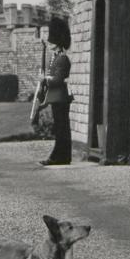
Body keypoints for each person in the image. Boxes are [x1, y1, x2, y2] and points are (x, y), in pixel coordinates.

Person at [40, 16, 72, 166]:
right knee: (60, 128)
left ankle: (60, 156)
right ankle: (61, 156)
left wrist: (45, 79)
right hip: (55, 97)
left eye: (52, 40)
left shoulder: (63, 58)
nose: (49, 42)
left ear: (58, 42)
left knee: (61, 128)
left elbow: (58, 80)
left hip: (60, 97)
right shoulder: (56, 57)